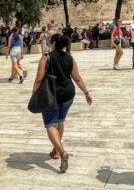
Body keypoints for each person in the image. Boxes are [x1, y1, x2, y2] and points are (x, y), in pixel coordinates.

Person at [31, 34, 92, 174]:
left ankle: (62, 152)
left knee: (50, 124)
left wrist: (34, 94)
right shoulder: (70, 58)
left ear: (52, 44)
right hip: (68, 95)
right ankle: (55, 151)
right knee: (60, 121)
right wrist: (86, 93)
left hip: (51, 96)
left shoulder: (46, 57)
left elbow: (39, 79)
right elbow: (77, 78)